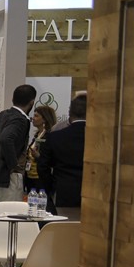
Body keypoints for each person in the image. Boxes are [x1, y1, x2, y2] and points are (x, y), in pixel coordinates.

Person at [0, 83, 36, 207]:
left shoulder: (3, 115)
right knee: (11, 213)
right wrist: (13, 164)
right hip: (8, 177)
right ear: (32, 102)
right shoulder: (20, 120)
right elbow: (5, 139)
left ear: (13, 99)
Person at [37, 93, 87, 221]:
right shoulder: (101, 139)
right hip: (94, 194)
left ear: (70, 113)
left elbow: (43, 166)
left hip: (63, 192)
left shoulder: (55, 137)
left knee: (65, 228)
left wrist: (50, 188)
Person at [21, 103, 57, 206]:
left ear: (45, 119)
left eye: (36, 116)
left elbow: (52, 159)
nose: (33, 118)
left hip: (41, 178)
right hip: (30, 177)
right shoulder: (36, 135)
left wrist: (38, 156)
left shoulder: (50, 136)